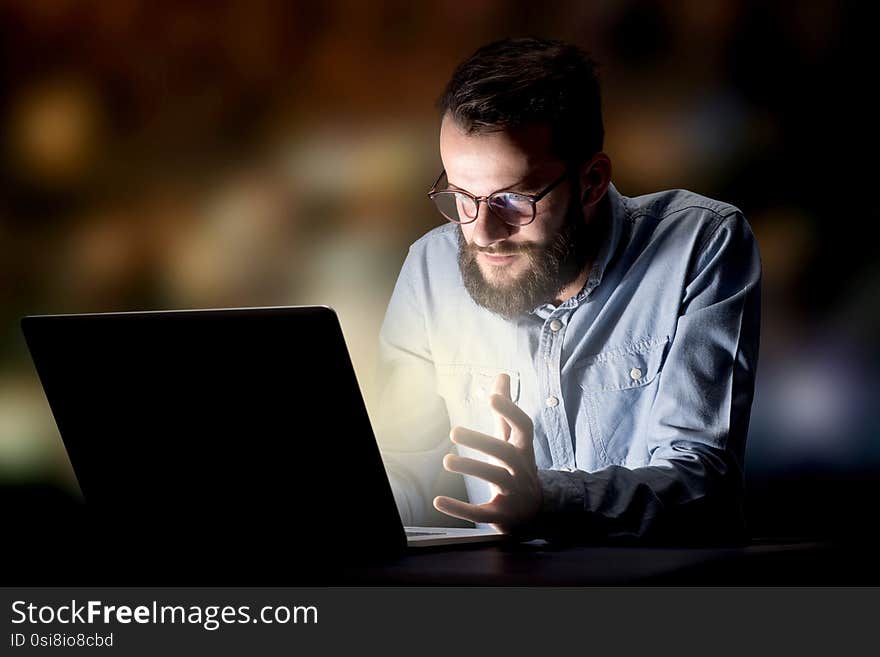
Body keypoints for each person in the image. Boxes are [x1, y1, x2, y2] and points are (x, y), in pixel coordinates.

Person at [374, 37, 761, 543]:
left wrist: (547, 500)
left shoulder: (701, 243)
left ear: (593, 181)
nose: (481, 232)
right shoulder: (431, 267)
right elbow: (408, 469)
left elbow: (702, 484)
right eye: (460, 196)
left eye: (512, 199)